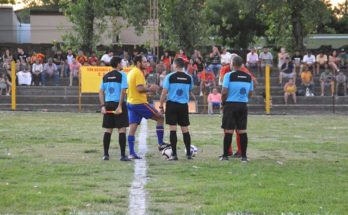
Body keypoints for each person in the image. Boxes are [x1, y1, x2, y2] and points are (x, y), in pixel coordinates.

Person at [126, 55, 169, 159]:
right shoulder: (138, 72)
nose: (147, 64)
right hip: (139, 103)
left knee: (133, 127)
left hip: (131, 102)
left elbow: (136, 89)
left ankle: (131, 152)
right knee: (160, 118)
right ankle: (160, 144)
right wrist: (151, 89)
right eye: (144, 62)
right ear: (138, 63)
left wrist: (148, 89)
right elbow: (140, 88)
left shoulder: (132, 71)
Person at [159, 58, 195, 160]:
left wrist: (161, 106)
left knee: (173, 129)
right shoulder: (189, 77)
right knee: (185, 129)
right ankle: (188, 154)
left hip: (172, 105)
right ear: (183, 66)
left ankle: (174, 155)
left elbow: (164, 93)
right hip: (183, 105)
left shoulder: (170, 76)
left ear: (175, 65)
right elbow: (189, 90)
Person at [220, 56, 253, 162]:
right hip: (243, 105)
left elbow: (224, 91)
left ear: (232, 64)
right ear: (241, 64)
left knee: (228, 131)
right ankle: (244, 157)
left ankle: (225, 156)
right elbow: (251, 93)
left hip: (230, 105)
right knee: (242, 131)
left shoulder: (228, 75)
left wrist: (223, 102)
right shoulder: (248, 77)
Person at [99, 56, 131, 161]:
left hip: (108, 104)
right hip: (118, 104)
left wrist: (103, 106)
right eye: (121, 63)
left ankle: (105, 155)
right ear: (117, 64)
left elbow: (100, 92)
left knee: (108, 130)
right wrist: (120, 106)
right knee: (121, 129)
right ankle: (122, 155)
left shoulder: (105, 76)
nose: (122, 65)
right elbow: (123, 91)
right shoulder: (122, 75)